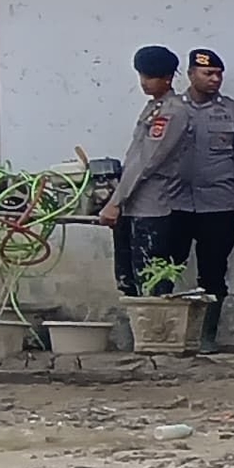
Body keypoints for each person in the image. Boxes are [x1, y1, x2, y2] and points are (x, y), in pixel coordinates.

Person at [153, 47, 234, 351]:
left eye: (218, 74)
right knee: (165, 268)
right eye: (207, 73)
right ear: (190, 75)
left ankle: (206, 337)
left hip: (219, 204)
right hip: (174, 204)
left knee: (213, 271)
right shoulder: (170, 108)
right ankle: (165, 335)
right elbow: (149, 155)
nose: (215, 79)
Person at [100, 44, 183, 297]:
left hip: (154, 204)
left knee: (151, 280)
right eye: (142, 76)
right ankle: (136, 334)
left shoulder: (172, 111)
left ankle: (155, 334)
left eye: (150, 76)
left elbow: (147, 160)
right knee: (128, 280)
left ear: (168, 78)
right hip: (134, 202)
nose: (144, 82)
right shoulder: (153, 107)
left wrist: (116, 201)